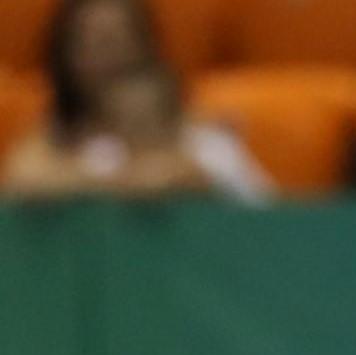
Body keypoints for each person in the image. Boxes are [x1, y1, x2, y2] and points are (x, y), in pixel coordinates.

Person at [2, 0, 269, 203]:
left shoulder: (205, 141)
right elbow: (22, 182)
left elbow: (263, 220)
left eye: (116, 39)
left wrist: (194, 176)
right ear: (65, 53)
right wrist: (117, 185)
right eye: (91, 41)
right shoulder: (52, 143)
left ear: (144, 46)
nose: (107, 55)